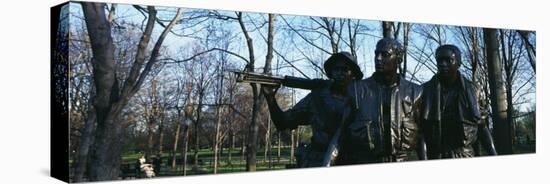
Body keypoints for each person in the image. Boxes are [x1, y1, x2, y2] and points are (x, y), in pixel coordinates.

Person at [262, 51, 363, 167]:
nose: (340, 73)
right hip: (318, 162)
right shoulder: (316, 99)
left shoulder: (363, 101)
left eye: (345, 69)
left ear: (353, 74)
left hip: (352, 162)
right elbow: (282, 122)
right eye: (336, 69)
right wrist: (270, 98)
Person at [337, 38, 426, 164]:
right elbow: (340, 135)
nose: (378, 58)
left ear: (399, 59)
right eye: (376, 54)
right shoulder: (356, 90)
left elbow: (422, 135)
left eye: (385, 55)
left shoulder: (415, 92)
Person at [420, 44, 497, 159]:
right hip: (436, 155)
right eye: (440, 60)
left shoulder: (473, 91)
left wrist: (493, 153)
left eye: (448, 60)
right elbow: (422, 132)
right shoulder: (425, 91)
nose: (443, 64)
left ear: (458, 63)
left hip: (465, 154)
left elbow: (482, 127)